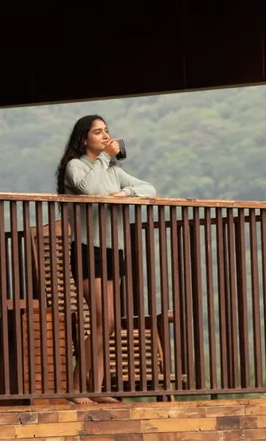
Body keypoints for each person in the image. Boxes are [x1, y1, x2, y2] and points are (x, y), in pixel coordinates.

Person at [54, 114, 156, 405]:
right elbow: (91, 190)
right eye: (98, 132)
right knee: (104, 319)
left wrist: (124, 192)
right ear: (84, 138)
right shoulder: (76, 167)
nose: (105, 136)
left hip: (115, 250)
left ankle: (95, 387)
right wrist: (104, 159)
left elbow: (149, 189)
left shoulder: (111, 168)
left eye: (107, 131)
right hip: (89, 250)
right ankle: (76, 387)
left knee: (107, 323)